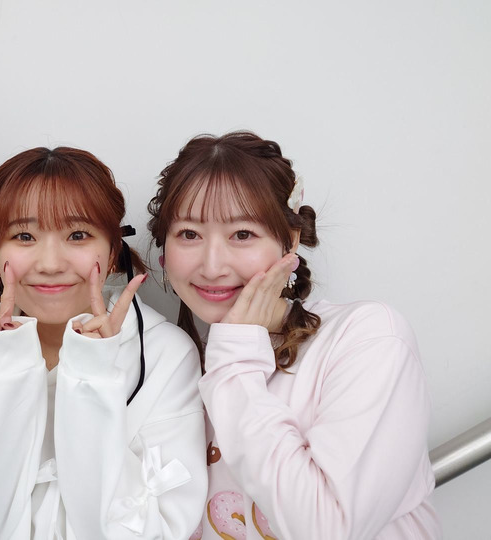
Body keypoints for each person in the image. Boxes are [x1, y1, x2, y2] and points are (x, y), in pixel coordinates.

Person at [0, 146, 208, 539]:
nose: (50, 263)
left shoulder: (164, 353)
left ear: (113, 251)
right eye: (24, 236)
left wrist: (93, 372)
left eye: (78, 235)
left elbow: (152, 530)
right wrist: (4, 368)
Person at [147, 131, 440, 539]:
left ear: (291, 240)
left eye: (242, 234)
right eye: (189, 234)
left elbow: (326, 528)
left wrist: (234, 359)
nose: (212, 266)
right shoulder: (168, 368)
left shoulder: (368, 339)